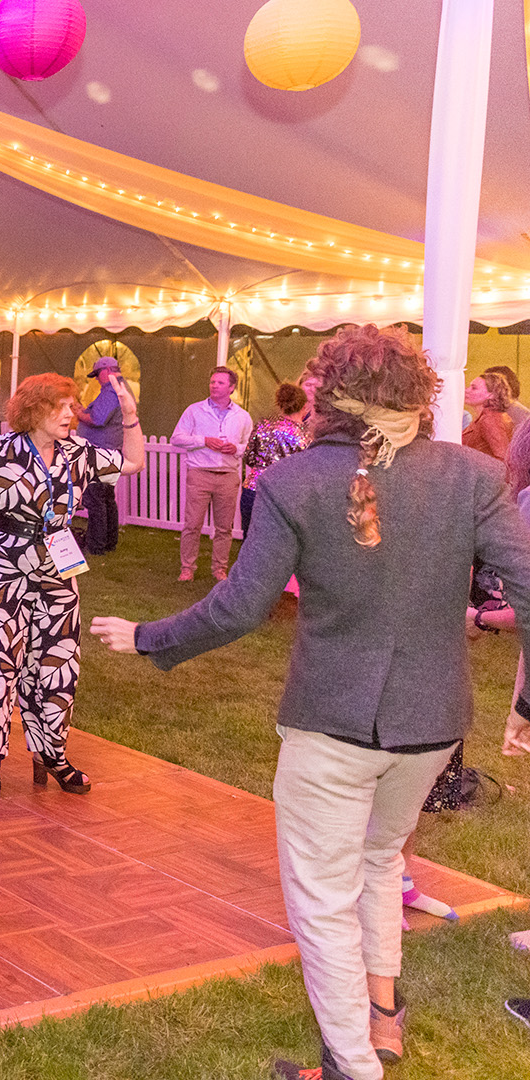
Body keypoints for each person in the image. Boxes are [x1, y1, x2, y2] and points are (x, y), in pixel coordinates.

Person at [89, 323, 530, 1080]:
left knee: (325, 896)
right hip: (431, 726)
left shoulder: (295, 482)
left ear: (332, 394)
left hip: (332, 725)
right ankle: (382, 1021)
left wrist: (146, 637)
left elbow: (237, 608)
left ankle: (354, 1066)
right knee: (379, 860)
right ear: (417, 392)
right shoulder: (471, 476)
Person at [0, 366, 145, 801]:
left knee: (57, 665)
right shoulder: (3, 450)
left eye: (71, 407)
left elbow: (133, 462)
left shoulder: (77, 451)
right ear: (34, 410)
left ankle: (52, 754)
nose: (70, 415)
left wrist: (129, 414)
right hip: (2, 564)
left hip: (57, 570)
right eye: (60, 407)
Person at [170, 367, 253, 582]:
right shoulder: (194, 411)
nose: (214, 385)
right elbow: (176, 438)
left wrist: (237, 449)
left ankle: (219, 569)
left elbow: (250, 446)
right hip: (199, 473)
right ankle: (187, 567)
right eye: (212, 381)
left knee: (224, 527)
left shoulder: (242, 416)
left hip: (227, 475)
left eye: (220, 383)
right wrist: (203, 440)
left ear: (231, 388)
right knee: (192, 524)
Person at [242, 382, 311, 534]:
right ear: (305, 406)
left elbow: (249, 458)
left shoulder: (262, 426)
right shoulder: (304, 436)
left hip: (254, 489)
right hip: (285, 496)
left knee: (250, 542)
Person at [73, 355, 125, 555]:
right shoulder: (117, 390)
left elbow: (98, 419)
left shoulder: (111, 391)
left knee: (96, 499)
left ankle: (96, 546)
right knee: (106, 499)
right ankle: (108, 542)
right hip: (109, 450)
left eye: (97, 374)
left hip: (101, 451)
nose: (96, 378)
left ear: (107, 371)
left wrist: (79, 414)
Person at [461, 371, 513, 462]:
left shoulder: (490, 420)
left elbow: (503, 459)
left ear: (491, 395)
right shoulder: (486, 417)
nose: (466, 390)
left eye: (474, 388)